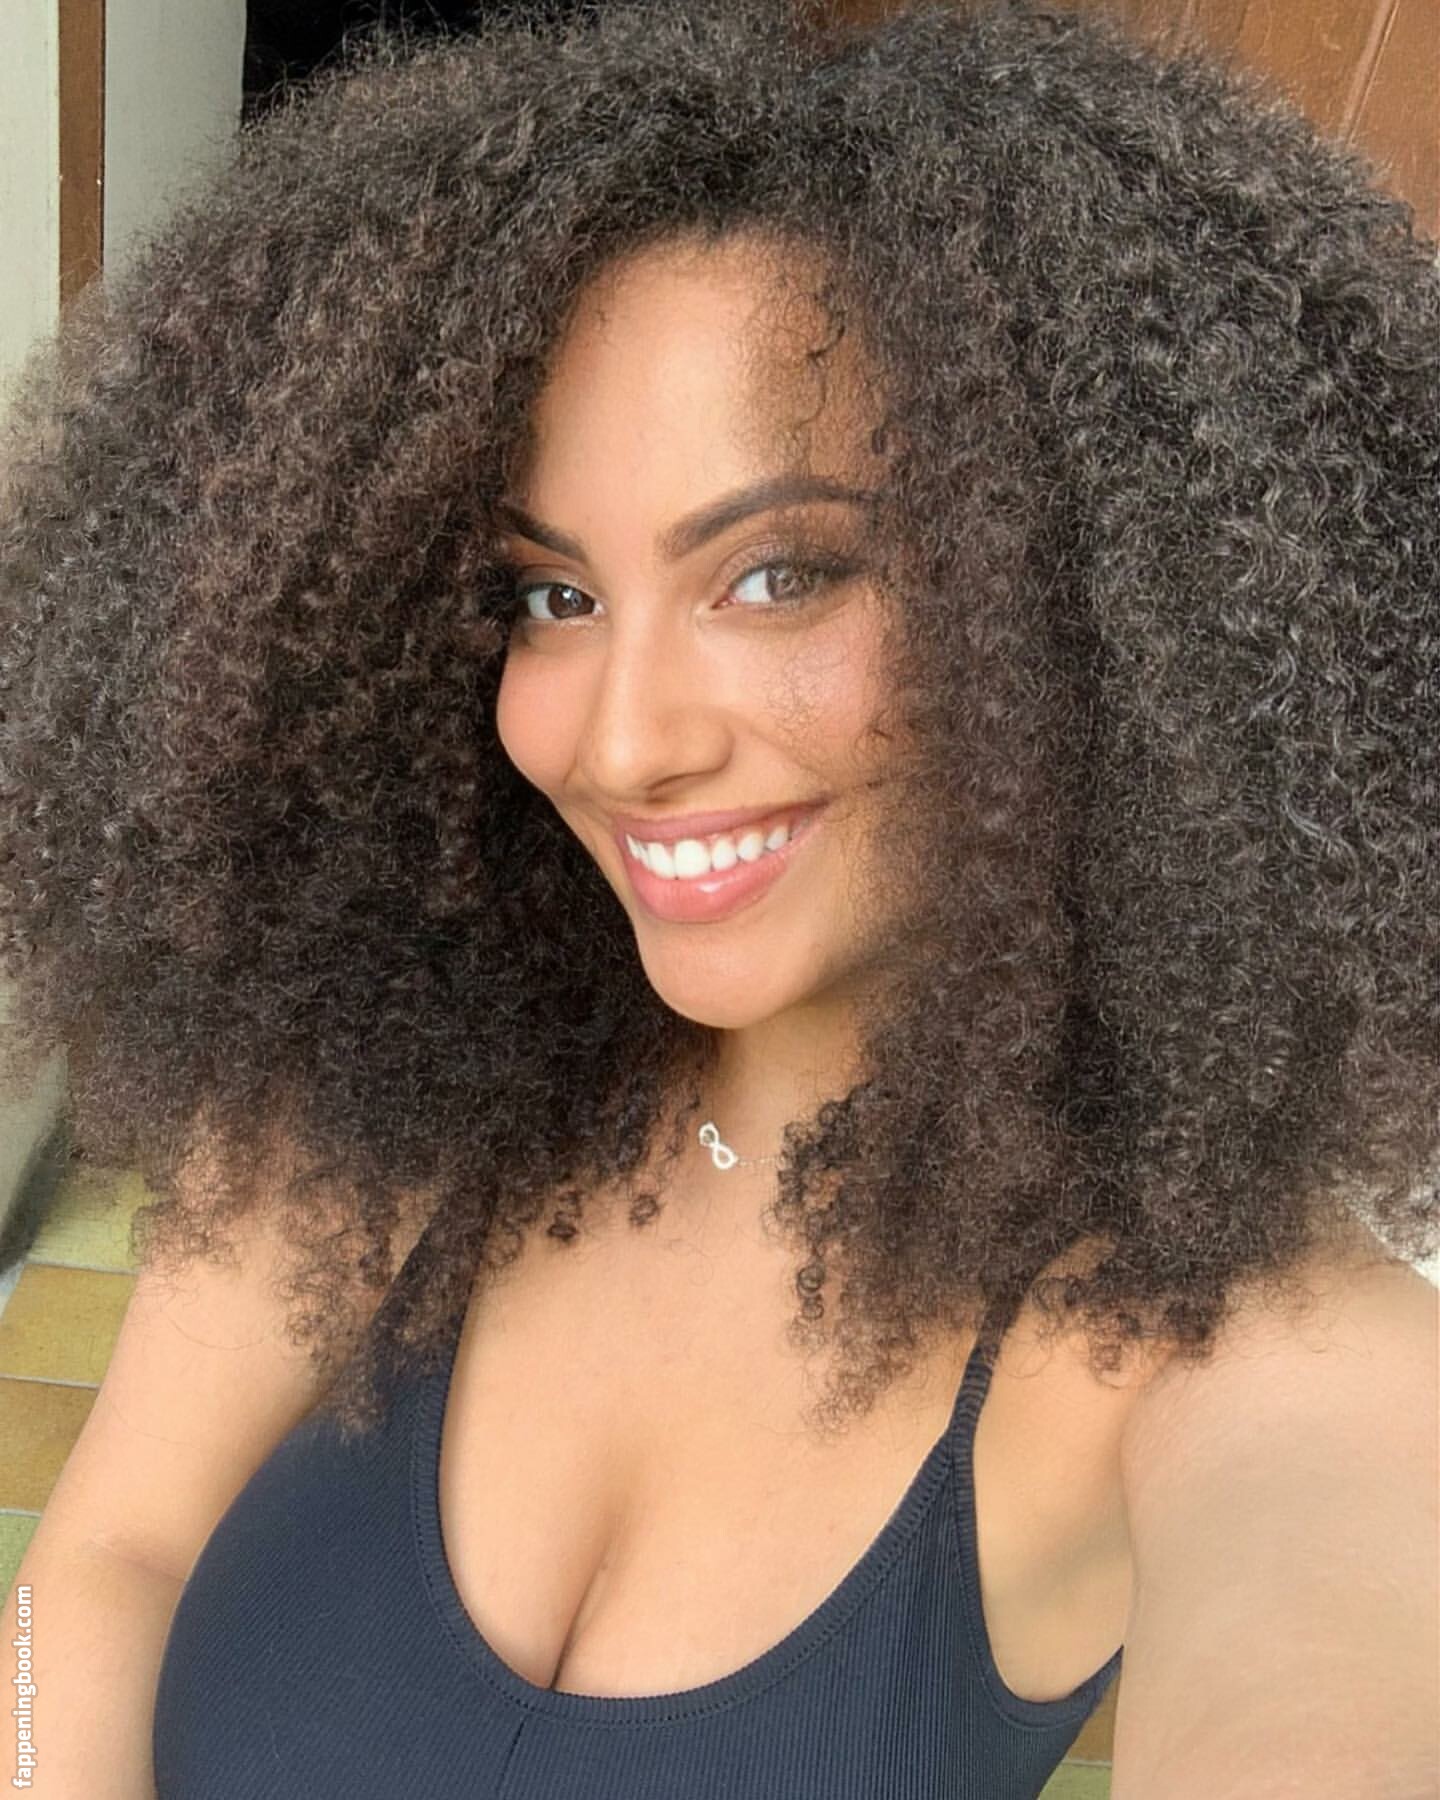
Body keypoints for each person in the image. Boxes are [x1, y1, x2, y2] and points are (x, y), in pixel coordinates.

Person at [0, 1, 1435, 1795]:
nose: (622, 744)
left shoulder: (1216, 1329)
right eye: (554, 597)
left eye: (779, 575)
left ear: (1091, 592)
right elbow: (104, 1562)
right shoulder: (396, 1077)